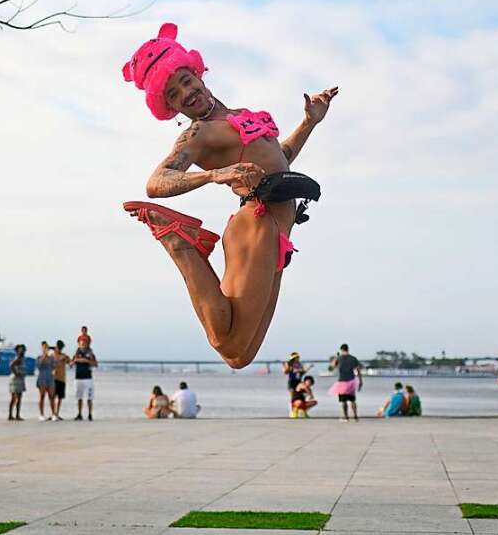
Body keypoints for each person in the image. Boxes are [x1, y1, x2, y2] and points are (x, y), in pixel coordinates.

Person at [121, 23, 337, 368]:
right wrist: (213, 175)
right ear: (172, 108)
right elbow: (156, 182)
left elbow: (280, 160)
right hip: (255, 226)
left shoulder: (241, 116)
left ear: (198, 74)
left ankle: (183, 241)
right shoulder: (198, 134)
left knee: (241, 355)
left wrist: (309, 123)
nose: (186, 93)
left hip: (280, 233)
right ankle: (179, 242)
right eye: (174, 95)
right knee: (225, 341)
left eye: (186, 81)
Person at [328, 344, 363, 421]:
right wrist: (360, 381)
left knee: (343, 401)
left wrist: (336, 357)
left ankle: (346, 417)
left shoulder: (339, 358)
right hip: (351, 382)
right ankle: (355, 416)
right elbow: (358, 371)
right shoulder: (353, 359)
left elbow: (332, 366)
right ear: (348, 349)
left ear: (341, 350)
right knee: (353, 400)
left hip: (342, 382)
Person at [73, 341, 97, 420]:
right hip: (78, 378)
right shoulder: (76, 354)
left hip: (88, 378)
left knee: (89, 397)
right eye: (81, 344)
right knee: (79, 397)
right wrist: (76, 360)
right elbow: (71, 363)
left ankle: (90, 414)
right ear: (79, 345)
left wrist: (87, 361)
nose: (83, 345)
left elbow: (95, 364)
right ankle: (79, 414)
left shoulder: (90, 354)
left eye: (84, 344)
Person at [283, 352, 310, 417]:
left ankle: (303, 411)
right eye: (296, 357)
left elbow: (302, 373)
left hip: (299, 382)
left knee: (302, 396)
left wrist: (307, 369)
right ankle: (292, 411)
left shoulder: (300, 364)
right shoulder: (289, 364)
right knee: (292, 397)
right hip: (292, 382)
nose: (298, 358)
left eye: (298, 357)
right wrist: (289, 367)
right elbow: (285, 372)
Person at [35, 341, 55, 421]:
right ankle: (41, 414)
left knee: (51, 397)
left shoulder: (51, 357)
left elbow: (54, 366)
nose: (45, 349)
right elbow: (39, 366)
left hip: (50, 378)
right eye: (44, 347)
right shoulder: (39, 357)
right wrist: (44, 356)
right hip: (42, 377)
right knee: (42, 396)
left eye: (46, 347)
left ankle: (53, 414)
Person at [50, 340, 69, 421]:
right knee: (53, 396)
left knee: (60, 397)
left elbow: (70, 362)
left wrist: (67, 359)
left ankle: (57, 413)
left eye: (61, 347)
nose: (60, 349)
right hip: (53, 378)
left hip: (62, 378)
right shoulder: (52, 355)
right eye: (59, 347)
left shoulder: (64, 355)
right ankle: (53, 413)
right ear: (56, 347)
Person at [8, 344, 28, 421]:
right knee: (17, 397)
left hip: (18, 379)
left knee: (15, 398)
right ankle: (16, 415)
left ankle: (12, 415)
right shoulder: (19, 358)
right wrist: (16, 373)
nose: (23, 351)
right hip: (16, 379)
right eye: (21, 350)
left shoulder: (21, 358)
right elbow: (11, 365)